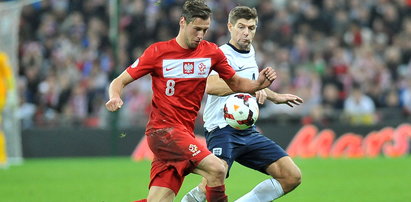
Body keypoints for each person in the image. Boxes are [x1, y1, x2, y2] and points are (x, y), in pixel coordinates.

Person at [105, 1, 277, 202]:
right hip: (163, 131)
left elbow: (236, 82)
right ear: (182, 23)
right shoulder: (158, 52)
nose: (200, 35)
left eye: (205, 30)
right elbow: (120, 80)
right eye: (196, 29)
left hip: (183, 133)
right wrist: (115, 96)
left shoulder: (211, 53)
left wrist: (257, 84)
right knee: (217, 169)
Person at [182, 6, 303, 202]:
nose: (246, 32)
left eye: (251, 27)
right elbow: (210, 85)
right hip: (221, 130)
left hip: (247, 130)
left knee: (291, 176)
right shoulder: (220, 54)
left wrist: (274, 96)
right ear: (230, 26)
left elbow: (251, 83)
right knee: (211, 184)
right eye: (241, 27)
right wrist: (251, 87)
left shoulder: (250, 52)